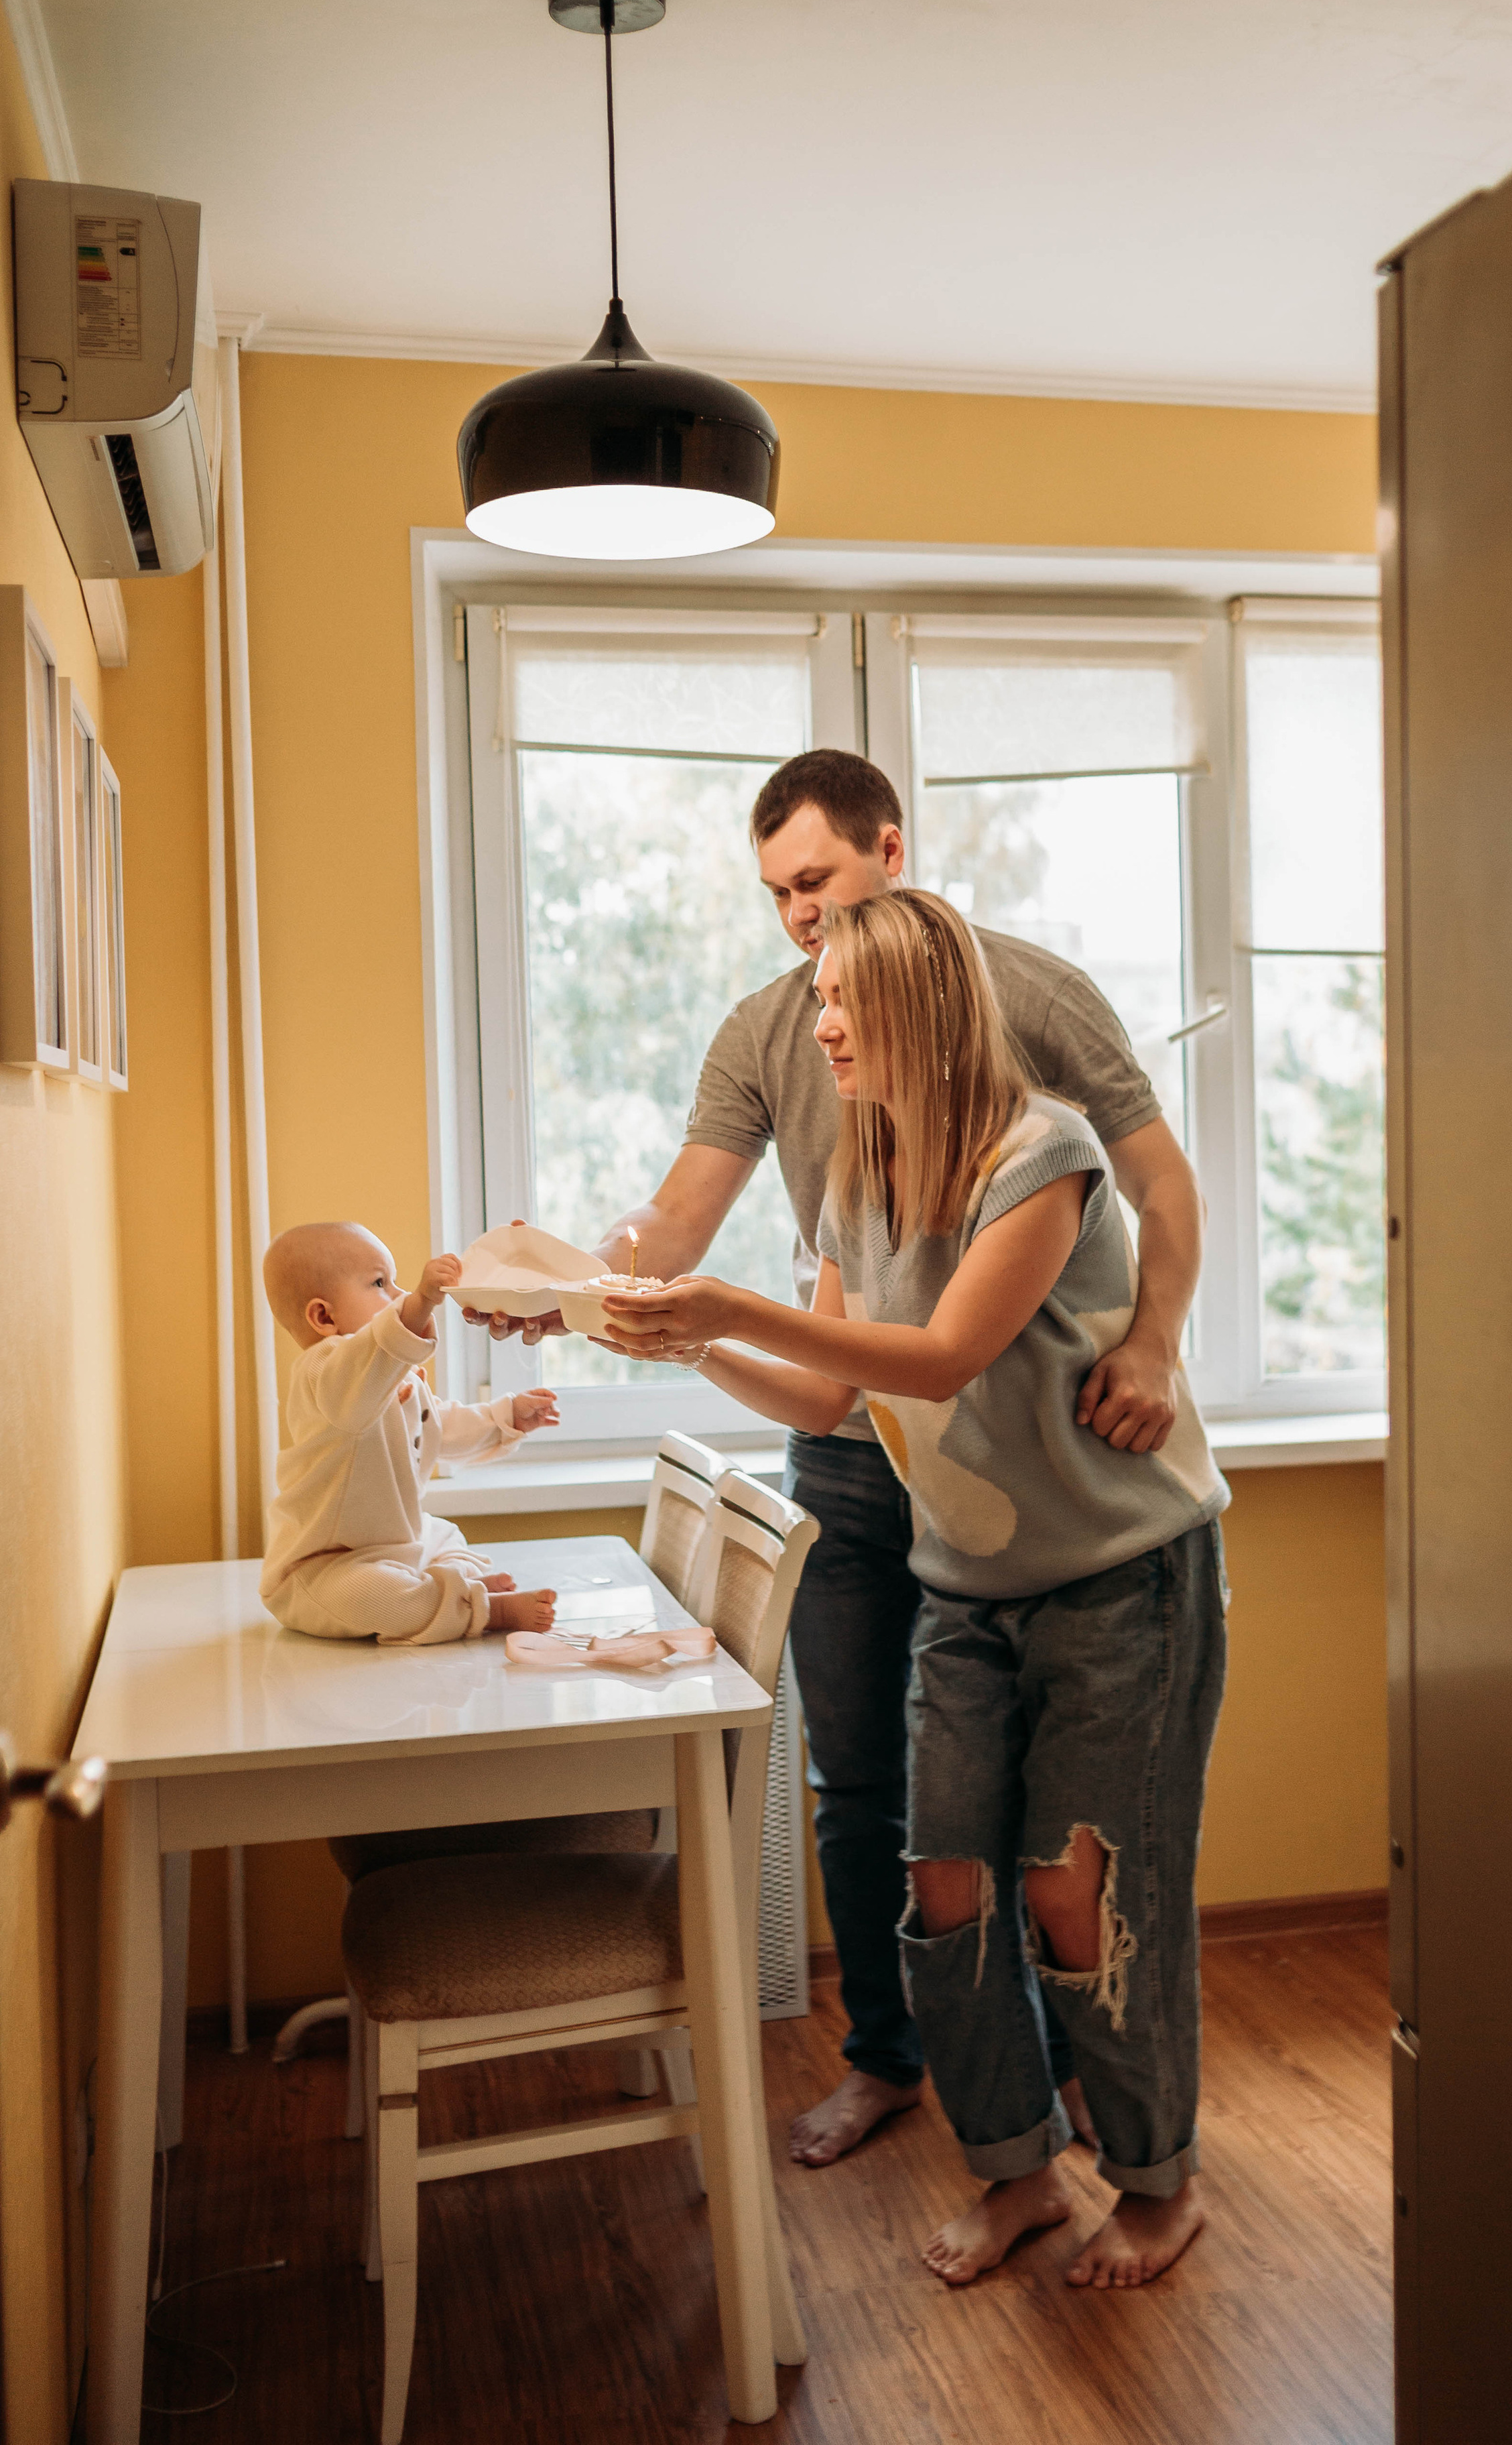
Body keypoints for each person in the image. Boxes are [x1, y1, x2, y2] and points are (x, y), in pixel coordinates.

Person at [469, 751, 1204, 2166]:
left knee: (1055, 1853)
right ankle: (910, 2072)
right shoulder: (786, 1049)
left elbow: (1143, 1193)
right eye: (775, 898)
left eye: (814, 883)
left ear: (887, 848)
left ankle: (1087, 2113)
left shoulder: (1029, 1031)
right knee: (884, 1803)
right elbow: (700, 1260)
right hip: (883, 1461)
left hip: (1043, 1471)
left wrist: (1154, 1342)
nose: (798, 921)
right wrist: (575, 1281)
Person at [598, 890, 1229, 2289]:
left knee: (1082, 1904)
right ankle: (1013, 2170)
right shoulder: (851, 1174)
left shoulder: (1044, 1157)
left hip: (1119, 1586)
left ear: (922, 1016)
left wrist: (711, 1300)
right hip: (966, 1588)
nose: (815, 1025)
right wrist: (688, 1350)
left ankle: (1152, 2178)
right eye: (815, 1001)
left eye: (840, 1005)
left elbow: (937, 1356)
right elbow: (828, 1389)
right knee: (942, 1888)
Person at [261, 1221, 560, 1642]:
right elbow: (361, 1376)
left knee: (445, 1535)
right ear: (324, 1317)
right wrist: (420, 1303)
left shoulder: (394, 1378)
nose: (399, 1295)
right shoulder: (322, 1372)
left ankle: (456, 1591)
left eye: (398, 1284)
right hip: (325, 1567)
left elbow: (440, 1426)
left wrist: (504, 1417)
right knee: (373, 1595)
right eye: (381, 1283)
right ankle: (484, 1610)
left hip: (401, 1548)